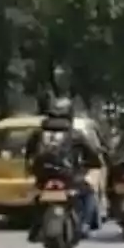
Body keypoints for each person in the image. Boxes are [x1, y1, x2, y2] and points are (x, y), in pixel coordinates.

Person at [25, 98, 103, 240]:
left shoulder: (38, 133)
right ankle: (84, 225)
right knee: (89, 193)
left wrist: (31, 167)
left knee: (36, 197)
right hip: (67, 175)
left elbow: (29, 153)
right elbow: (91, 153)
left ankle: (36, 226)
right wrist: (94, 163)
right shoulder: (75, 134)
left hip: (43, 175)